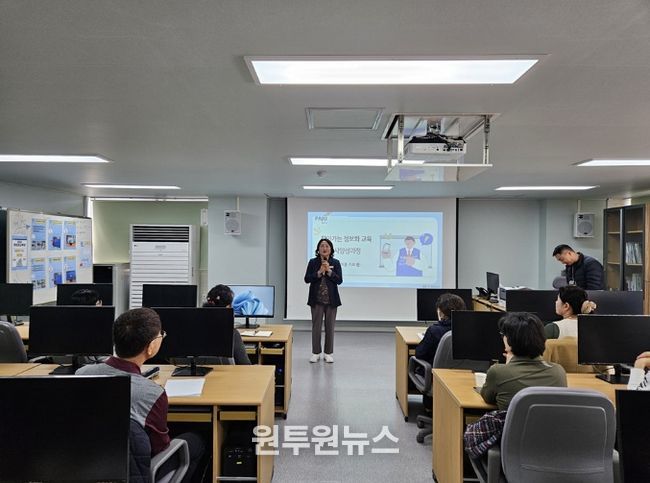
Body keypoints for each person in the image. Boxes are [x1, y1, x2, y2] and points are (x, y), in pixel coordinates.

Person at [76, 308, 205, 481]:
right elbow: (160, 447)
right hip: (134, 473)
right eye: (161, 335)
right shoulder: (152, 394)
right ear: (150, 347)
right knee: (197, 440)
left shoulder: (81, 374)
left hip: (86, 467)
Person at [480, 312, 567, 410]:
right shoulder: (558, 372)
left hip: (510, 420)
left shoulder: (497, 372)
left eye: (503, 335)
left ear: (509, 340)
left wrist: (509, 365)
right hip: (547, 420)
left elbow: (488, 398)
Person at [304, 238, 342, 363]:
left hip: (331, 301)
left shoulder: (335, 262)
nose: (324, 248)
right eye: (322, 246)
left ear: (330, 249)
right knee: (316, 327)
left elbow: (339, 280)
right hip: (316, 300)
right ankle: (316, 353)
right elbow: (307, 279)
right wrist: (319, 272)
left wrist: (329, 271)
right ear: (318, 249)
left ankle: (328, 353)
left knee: (330, 327)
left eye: (327, 246)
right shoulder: (313, 262)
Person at [204, 284, 251, 365]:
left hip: (199, 372)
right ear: (228, 307)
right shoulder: (231, 333)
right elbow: (244, 364)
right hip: (227, 373)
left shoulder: (192, 329)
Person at [415, 293, 466, 365]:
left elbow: (420, 353)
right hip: (464, 370)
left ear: (441, 312)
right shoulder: (470, 330)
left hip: (435, 370)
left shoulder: (434, 330)